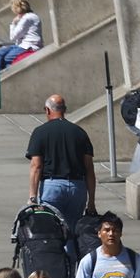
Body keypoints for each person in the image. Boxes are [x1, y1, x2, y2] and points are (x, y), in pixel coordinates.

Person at [25, 93, 96, 229]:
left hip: (52, 187)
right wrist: (91, 200)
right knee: (73, 230)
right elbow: (89, 169)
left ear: (47, 110)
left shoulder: (40, 132)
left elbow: (36, 166)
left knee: (53, 231)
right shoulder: (79, 132)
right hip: (77, 187)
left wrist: (32, 197)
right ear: (65, 109)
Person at [0, 0, 42, 72]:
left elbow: (13, 37)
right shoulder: (27, 17)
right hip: (20, 45)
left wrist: (13, 23)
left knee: (7, 58)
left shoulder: (27, 18)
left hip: (29, 46)